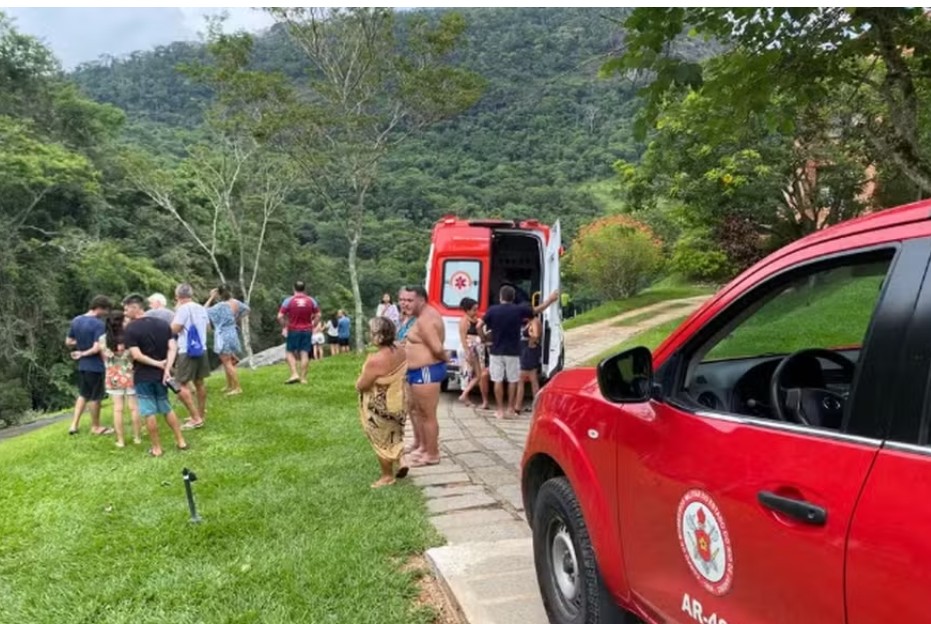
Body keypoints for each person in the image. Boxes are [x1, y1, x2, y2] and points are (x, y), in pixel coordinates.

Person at [123, 294, 188, 457]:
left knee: (148, 411)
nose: (125, 313)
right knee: (166, 407)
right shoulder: (162, 324)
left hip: (143, 375)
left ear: (135, 308)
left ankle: (157, 448)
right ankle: (181, 441)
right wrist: (167, 368)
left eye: (126, 309)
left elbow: (136, 355)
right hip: (162, 375)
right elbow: (172, 347)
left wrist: (157, 364)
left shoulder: (130, 329)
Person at [481, 285, 559, 419]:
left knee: (497, 380)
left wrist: (483, 338)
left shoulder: (492, 310)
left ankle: (500, 410)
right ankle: (511, 409)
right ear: (513, 298)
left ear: (500, 297)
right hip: (514, 351)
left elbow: (478, 326)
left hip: (496, 351)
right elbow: (536, 310)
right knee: (513, 380)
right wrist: (550, 300)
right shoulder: (518, 310)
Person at [356, 317, 410, 488]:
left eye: (372, 332)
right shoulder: (402, 350)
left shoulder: (375, 360)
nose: (370, 335)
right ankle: (402, 459)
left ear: (379, 336)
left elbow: (362, 385)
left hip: (381, 407)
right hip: (400, 401)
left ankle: (387, 476)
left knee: (381, 440)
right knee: (396, 432)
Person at [401, 285, 447, 467]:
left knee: (427, 414)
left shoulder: (426, 320)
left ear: (421, 299)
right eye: (402, 300)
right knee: (417, 411)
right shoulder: (419, 318)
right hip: (416, 372)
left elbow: (437, 348)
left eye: (409, 300)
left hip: (426, 371)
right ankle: (423, 446)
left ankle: (432, 453)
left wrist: (446, 359)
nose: (405, 304)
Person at [66, 295, 112, 436]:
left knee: (83, 394)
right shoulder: (98, 324)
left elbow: (68, 341)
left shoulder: (76, 320)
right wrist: (83, 353)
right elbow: (97, 347)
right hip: (95, 365)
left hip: (82, 366)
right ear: (99, 308)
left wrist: (79, 345)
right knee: (95, 397)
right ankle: (96, 427)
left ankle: (74, 425)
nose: (106, 314)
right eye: (106, 310)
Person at [99, 310, 142, 447]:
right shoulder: (129, 337)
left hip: (113, 375)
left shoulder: (103, 339)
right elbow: (135, 355)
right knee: (134, 408)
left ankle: (121, 440)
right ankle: (137, 437)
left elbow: (104, 358)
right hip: (130, 373)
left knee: (118, 409)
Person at [170, 283, 211, 429]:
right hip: (202, 348)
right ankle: (201, 414)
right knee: (199, 382)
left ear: (177, 296)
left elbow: (175, 329)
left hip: (186, 350)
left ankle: (195, 418)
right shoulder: (201, 308)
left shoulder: (182, 309)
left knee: (180, 384)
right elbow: (208, 328)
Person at [205, 285, 250, 396]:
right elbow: (247, 309)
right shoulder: (235, 302)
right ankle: (230, 385)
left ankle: (237, 387)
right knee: (227, 360)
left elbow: (204, 310)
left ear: (219, 294)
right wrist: (236, 317)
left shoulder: (220, 306)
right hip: (232, 331)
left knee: (227, 362)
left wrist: (211, 297)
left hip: (223, 334)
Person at [277, 280, 319, 384]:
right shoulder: (311, 300)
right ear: (305, 289)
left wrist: (284, 326)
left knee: (289, 352)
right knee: (304, 353)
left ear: (293, 288)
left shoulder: (289, 301)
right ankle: (303, 378)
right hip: (307, 330)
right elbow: (318, 315)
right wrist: (313, 325)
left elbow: (280, 316)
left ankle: (294, 374)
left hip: (293, 329)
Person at [457, 297, 489, 409]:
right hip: (470, 349)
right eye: (474, 309)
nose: (476, 312)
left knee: (476, 374)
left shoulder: (476, 320)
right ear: (467, 310)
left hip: (477, 348)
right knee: (472, 374)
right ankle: (464, 395)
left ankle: (465, 395)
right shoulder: (464, 322)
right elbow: (462, 338)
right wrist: (468, 352)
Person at [514, 313, 543, 414]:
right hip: (527, 351)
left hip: (528, 352)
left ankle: (517, 406)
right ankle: (536, 406)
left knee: (522, 379)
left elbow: (536, 335)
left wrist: (531, 342)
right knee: (533, 379)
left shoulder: (534, 322)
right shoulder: (531, 321)